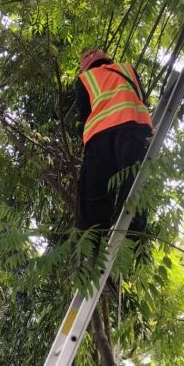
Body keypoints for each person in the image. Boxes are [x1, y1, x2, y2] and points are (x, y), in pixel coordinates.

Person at [74, 48, 154, 259]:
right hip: (133, 127)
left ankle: (91, 239)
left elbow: (83, 114)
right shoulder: (128, 69)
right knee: (132, 177)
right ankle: (132, 229)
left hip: (100, 135)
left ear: (86, 65)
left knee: (94, 190)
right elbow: (141, 96)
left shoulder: (85, 79)